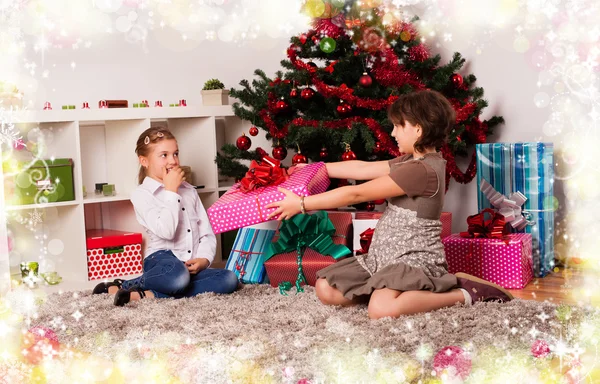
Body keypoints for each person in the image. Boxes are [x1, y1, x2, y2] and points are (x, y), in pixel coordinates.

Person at [266, 90, 513, 319]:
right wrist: (319, 168)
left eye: (398, 126)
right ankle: (386, 293)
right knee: (326, 289)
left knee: (380, 311)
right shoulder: (410, 161)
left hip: (412, 260)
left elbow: (356, 193)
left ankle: (464, 293)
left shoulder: (422, 170)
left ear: (418, 129)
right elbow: (362, 168)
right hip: (383, 258)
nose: (393, 133)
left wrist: (302, 203)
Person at [93, 127, 239, 306]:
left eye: (175, 154)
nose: (173, 161)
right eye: (164, 155)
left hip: (188, 266)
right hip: (161, 262)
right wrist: (171, 190)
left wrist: (204, 259)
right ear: (144, 161)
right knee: (177, 278)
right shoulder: (142, 194)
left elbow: (206, 233)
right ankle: (131, 283)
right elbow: (166, 231)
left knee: (229, 279)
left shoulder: (190, 191)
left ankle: (146, 295)